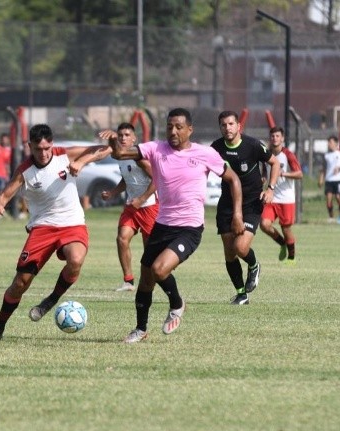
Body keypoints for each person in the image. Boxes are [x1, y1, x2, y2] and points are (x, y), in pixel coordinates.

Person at [96, 108, 243, 343]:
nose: (173, 131)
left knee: (159, 270)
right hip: (162, 224)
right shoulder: (156, 148)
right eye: (169, 127)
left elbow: (233, 179)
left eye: (178, 127)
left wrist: (237, 214)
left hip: (189, 228)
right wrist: (114, 140)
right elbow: (121, 154)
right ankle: (140, 330)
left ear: (189, 130)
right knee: (146, 279)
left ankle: (177, 303)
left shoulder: (205, 153)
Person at [0, 124, 106, 341]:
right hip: (42, 227)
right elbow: (5, 195)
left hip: (72, 223)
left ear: (52, 144)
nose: (44, 153)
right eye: (38, 149)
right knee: (20, 283)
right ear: (30, 146)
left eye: (47, 148)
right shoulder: (25, 171)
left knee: (76, 260)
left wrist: (81, 161)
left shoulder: (64, 155)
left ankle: (50, 301)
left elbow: (105, 149)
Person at [211, 110, 279, 306]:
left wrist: (270, 189)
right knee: (229, 252)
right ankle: (241, 294)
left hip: (251, 204)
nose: (227, 128)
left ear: (238, 126)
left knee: (240, 247)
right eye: (223, 125)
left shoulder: (252, 145)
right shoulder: (215, 148)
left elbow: (274, 163)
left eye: (231, 124)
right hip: (227, 204)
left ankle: (254, 265)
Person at [96, 122, 158, 292]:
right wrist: (112, 193)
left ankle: (151, 281)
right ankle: (128, 281)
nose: (123, 138)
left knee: (149, 249)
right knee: (122, 239)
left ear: (134, 138)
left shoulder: (140, 157)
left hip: (149, 207)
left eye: (127, 135)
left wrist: (142, 199)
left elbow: (157, 179)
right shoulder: (121, 157)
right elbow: (127, 179)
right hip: (131, 206)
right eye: (120, 135)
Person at [259, 126, 302, 264]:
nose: (275, 138)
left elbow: (299, 174)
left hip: (286, 198)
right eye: (272, 136)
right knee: (264, 224)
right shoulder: (267, 154)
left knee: (286, 228)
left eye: (277, 136)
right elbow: (265, 171)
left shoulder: (288, 154)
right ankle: (282, 243)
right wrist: (263, 179)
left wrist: (284, 174)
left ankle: (291, 257)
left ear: (282, 138)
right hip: (271, 197)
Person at [318, 135, 340, 223]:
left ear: (336, 143)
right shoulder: (326, 155)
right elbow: (324, 168)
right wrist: (321, 179)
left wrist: (339, 169)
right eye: (328, 142)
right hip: (329, 180)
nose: (329, 144)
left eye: (330, 142)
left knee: (338, 197)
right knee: (328, 199)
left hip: (339, 179)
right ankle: (331, 217)